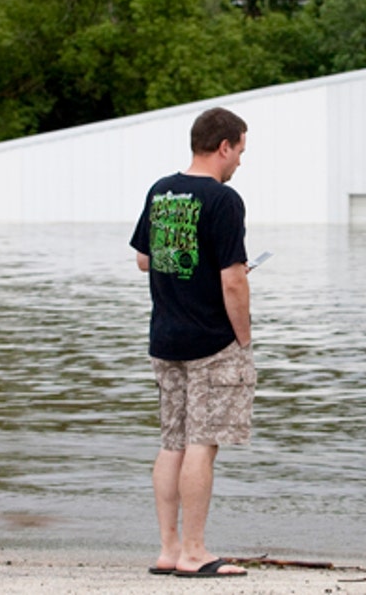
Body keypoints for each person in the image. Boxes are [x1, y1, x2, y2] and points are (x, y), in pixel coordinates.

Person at [129, 107, 254, 579]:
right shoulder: (224, 200)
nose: (241, 161)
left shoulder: (161, 191)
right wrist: (242, 338)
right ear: (224, 146)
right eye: (240, 150)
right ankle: (196, 552)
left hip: (165, 336)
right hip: (210, 341)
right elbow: (234, 281)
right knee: (203, 443)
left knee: (172, 442)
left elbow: (145, 260)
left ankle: (169, 549)